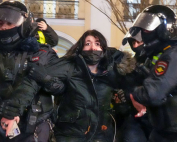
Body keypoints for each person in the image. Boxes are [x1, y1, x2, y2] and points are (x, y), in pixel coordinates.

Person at [26, 29, 136, 142]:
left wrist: (121, 103)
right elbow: (52, 86)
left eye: (97, 44)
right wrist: (47, 80)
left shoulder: (111, 74)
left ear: (103, 49)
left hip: (101, 136)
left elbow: (124, 107)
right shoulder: (69, 68)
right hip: (70, 136)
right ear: (81, 48)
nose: (93, 48)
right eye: (88, 44)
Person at [0, 1, 59, 142]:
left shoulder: (42, 52)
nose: (4, 27)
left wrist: (11, 112)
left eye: (9, 23)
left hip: (34, 126)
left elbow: (31, 83)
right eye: (0, 23)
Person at [123, 5, 177, 142]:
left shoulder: (172, 55)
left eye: (147, 29)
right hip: (164, 130)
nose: (144, 34)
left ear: (166, 29)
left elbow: (152, 93)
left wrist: (133, 93)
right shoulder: (163, 53)